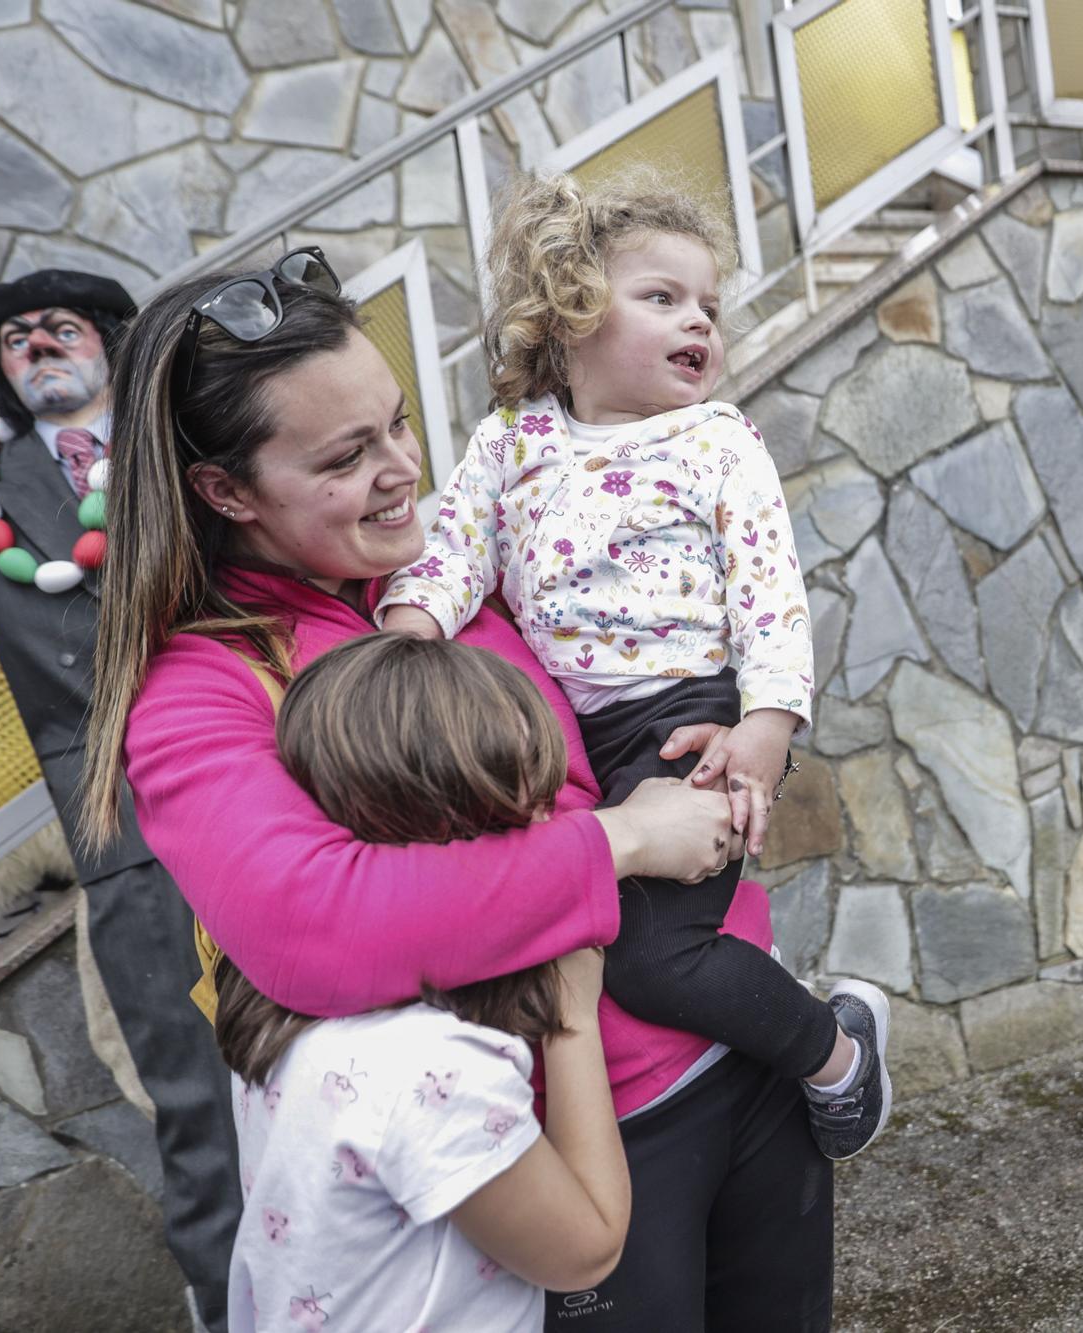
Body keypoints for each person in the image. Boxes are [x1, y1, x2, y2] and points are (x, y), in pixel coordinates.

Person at [80, 247, 837, 1331]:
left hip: (737, 1044)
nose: (401, 469)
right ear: (223, 490)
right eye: (346, 455)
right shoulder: (199, 689)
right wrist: (617, 843)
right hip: (581, 1149)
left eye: (397, 422)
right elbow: (314, 923)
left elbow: (646, 659)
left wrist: (731, 728)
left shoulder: (444, 573)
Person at [376, 170, 892, 1162]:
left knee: (651, 960)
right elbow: (452, 557)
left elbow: (771, 598)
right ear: (565, 318)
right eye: (662, 298)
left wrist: (765, 730)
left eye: (707, 305)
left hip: (688, 715)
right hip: (568, 739)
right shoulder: (509, 444)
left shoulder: (714, 439)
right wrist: (407, 632)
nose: (697, 320)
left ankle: (836, 1057)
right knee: (545, 918)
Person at [0, 268, 241, 1330]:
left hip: (281, 771)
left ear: (109, 342)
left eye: (57, 328)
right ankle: (231, 1308)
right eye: (14, 339)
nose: (34, 347)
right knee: (196, 1099)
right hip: (124, 825)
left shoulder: (196, 433)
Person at [219, 633, 630, 1332]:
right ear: (459, 833)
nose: (554, 830)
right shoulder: (434, 1071)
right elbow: (587, 1249)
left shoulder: (274, 988)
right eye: (532, 819)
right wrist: (573, 1017)